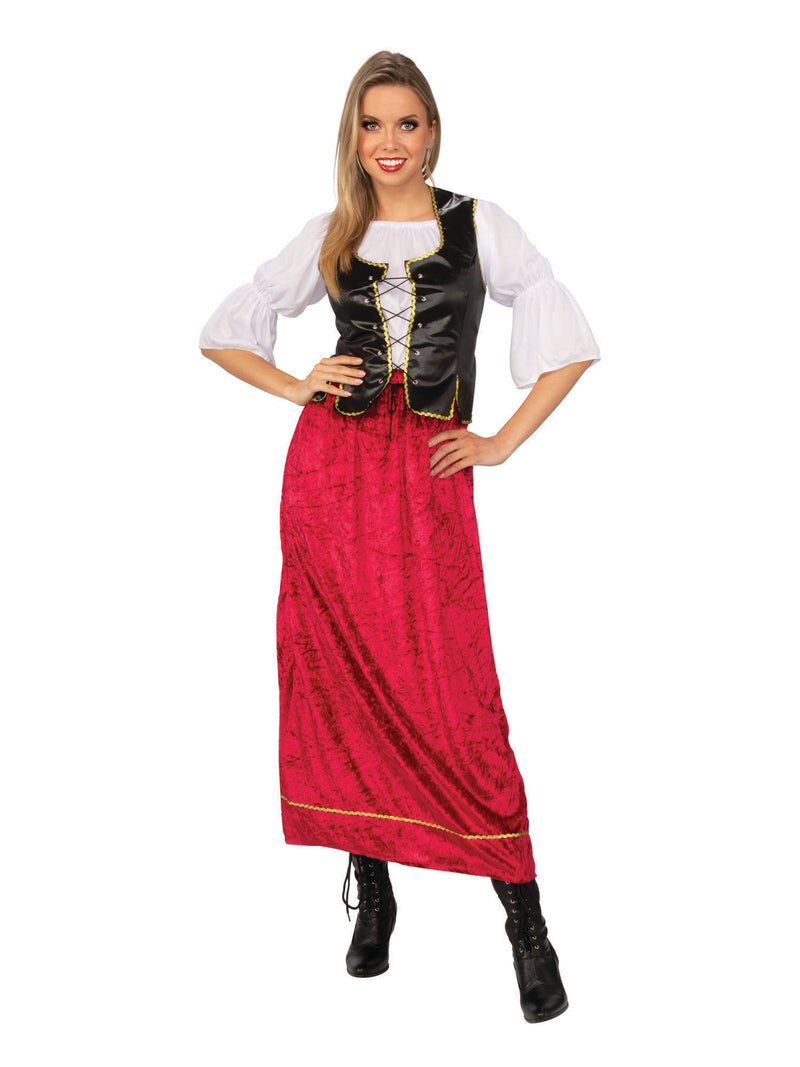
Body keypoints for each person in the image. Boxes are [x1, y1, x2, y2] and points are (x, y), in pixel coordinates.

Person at [199, 50, 600, 1024]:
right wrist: (296, 383)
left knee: (456, 691)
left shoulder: (479, 225)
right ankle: (373, 887)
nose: (389, 142)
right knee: (345, 679)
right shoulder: (329, 233)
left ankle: (526, 924)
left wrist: (499, 440)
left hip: (427, 477)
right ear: (353, 135)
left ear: (432, 132)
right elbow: (225, 329)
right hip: (330, 480)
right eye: (371, 124)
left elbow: (568, 340)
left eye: (406, 123)